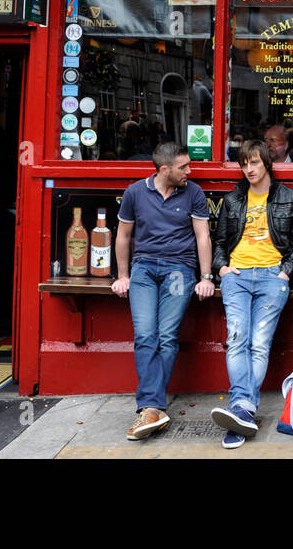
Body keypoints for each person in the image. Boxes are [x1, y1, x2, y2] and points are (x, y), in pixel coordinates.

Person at [210, 139, 293, 449]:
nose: (248, 169)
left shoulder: (290, 198)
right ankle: (245, 407)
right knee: (238, 337)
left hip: (271, 277)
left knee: (259, 343)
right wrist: (222, 267)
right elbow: (220, 241)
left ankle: (240, 409)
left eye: (254, 163)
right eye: (243, 163)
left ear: (267, 163)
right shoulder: (233, 200)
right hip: (237, 277)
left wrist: (284, 272)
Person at [113, 142, 215, 441]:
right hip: (143, 268)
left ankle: (150, 408)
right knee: (146, 334)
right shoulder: (135, 193)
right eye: (183, 167)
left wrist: (206, 276)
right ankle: (153, 406)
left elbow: (202, 236)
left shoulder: (193, 192)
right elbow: (123, 236)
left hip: (178, 269)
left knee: (167, 335)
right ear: (164, 170)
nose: (190, 171)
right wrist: (122, 275)